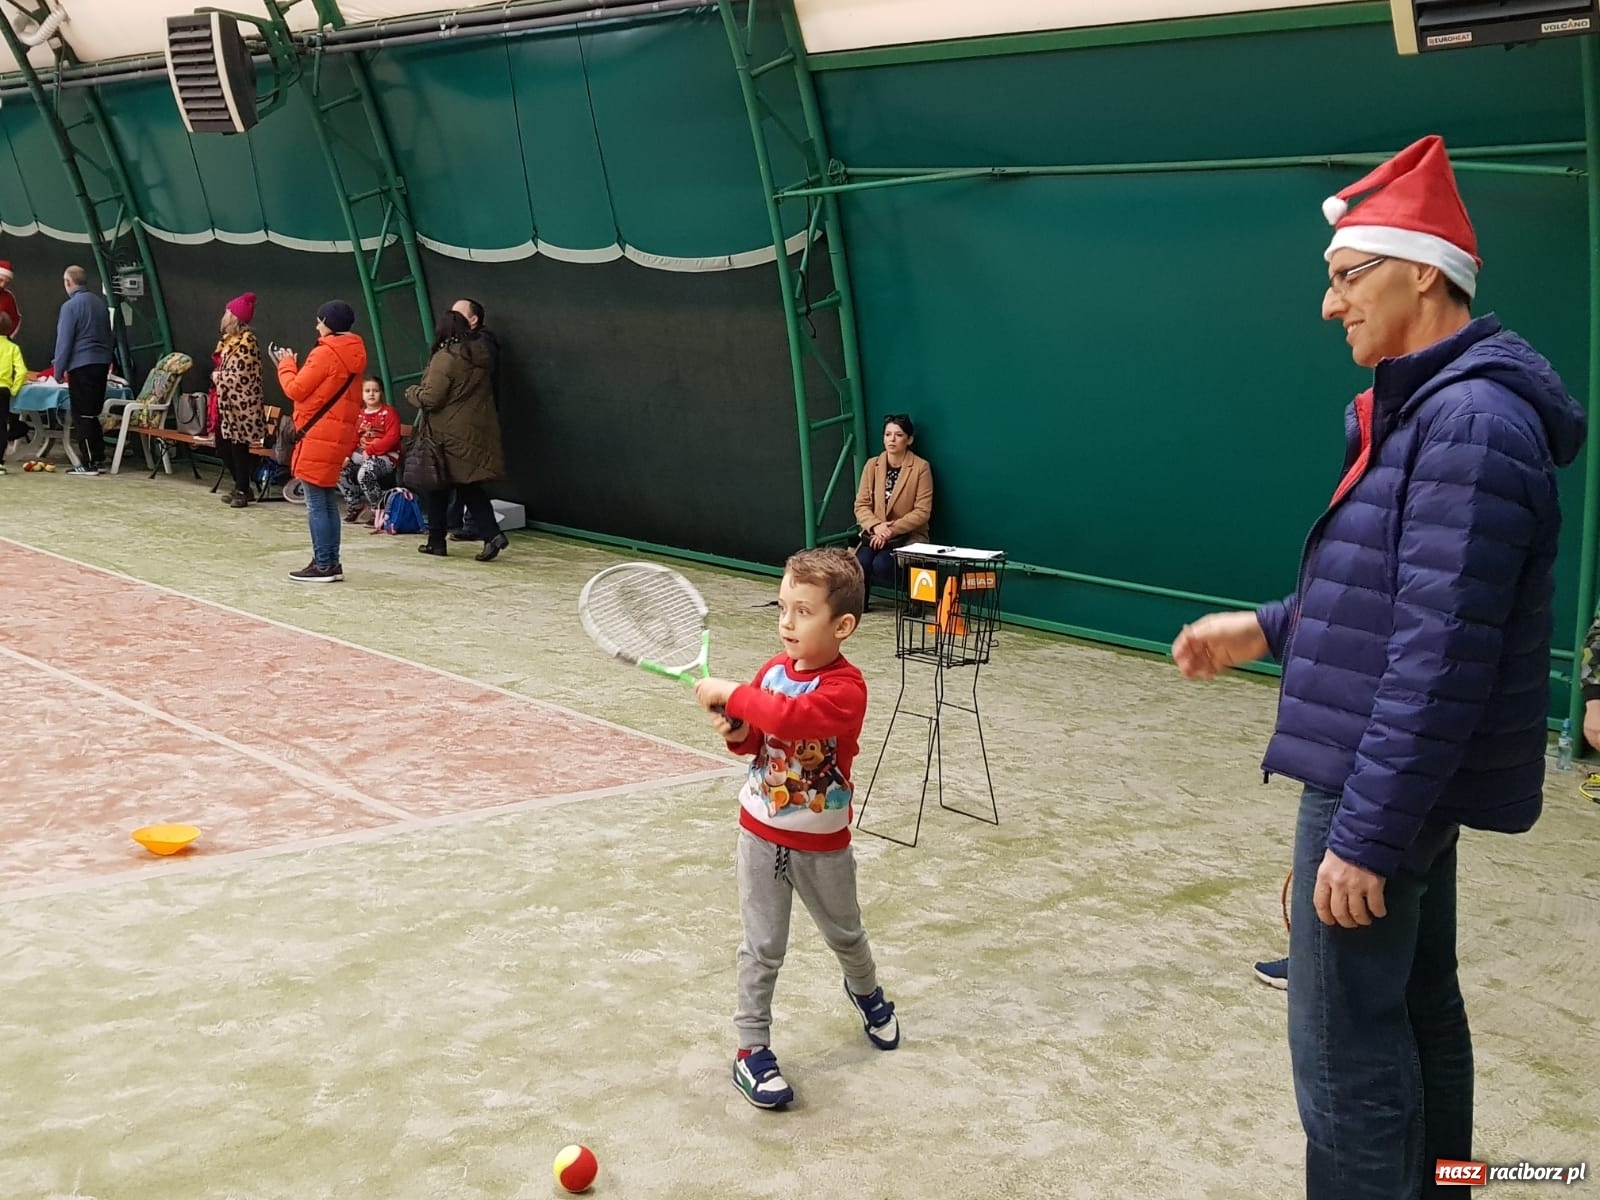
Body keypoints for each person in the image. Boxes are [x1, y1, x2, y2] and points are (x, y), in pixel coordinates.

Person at [1172, 135, 1584, 1199]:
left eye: (1344, 277)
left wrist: (1361, 836)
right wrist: (1266, 626)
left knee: (1344, 1053)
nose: (1327, 305)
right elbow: (1393, 594)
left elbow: (1436, 651)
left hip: (1374, 779)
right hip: (1396, 778)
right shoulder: (1436, 414)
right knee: (1411, 1009)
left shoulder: (1465, 424)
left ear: (1421, 274)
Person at [692, 548, 900, 1110]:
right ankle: (751, 1051)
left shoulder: (846, 689)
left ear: (843, 626)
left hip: (823, 846)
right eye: (782, 607)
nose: (786, 622)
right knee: (762, 949)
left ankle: (869, 996)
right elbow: (756, 743)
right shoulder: (769, 673)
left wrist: (736, 695)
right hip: (759, 833)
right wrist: (735, 727)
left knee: (847, 936)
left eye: (803, 612)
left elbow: (790, 719)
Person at [272, 300, 367, 582]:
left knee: (317, 502)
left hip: (318, 435)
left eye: (319, 320)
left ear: (328, 322)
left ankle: (324, 563)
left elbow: (296, 389)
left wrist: (286, 364)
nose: (317, 325)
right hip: (336, 435)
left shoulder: (325, 353)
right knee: (325, 500)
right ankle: (329, 561)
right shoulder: (354, 353)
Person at [408, 309, 507, 561]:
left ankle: (439, 541)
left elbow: (432, 398)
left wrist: (412, 393)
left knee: (437, 486)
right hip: (474, 431)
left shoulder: (445, 358)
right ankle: (488, 535)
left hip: (446, 434)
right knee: (468, 487)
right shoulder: (480, 355)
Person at [852, 413, 933, 590]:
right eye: (888, 434)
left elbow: (922, 511)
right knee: (860, 563)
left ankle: (915, 596)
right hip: (875, 534)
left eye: (899, 435)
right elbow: (861, 504)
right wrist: (876, 526)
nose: (892, 440)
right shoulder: (872, 465)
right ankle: (860, 606)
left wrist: (890, 530)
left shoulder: (920, 468)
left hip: (907, 535)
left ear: (909, 439)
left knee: (883, 565)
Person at [445, 297, 501, 541]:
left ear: (473, 319)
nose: (452, 319)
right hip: (464, 421)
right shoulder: (459, 347)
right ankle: (460, 524)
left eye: (458, 314)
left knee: (468, 477)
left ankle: (482, 529)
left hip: (473, 422)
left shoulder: (479, 346)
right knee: (462, 477)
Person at [53, 265, 115, 476]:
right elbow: (109, 336)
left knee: (82, 414)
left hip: (81, 365)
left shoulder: (70, 307)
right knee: (93, 413)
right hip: (101, 364)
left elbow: (64, 341)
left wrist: (58, 370)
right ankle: (98, 457)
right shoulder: (100, 304)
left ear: (68, 282)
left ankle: (89, 463)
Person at [211, 293, 268, 508]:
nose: (224, 315)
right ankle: (242, 484)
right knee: (223, 445)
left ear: (235, 317)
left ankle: (243, 488)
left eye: (228, 312)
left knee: (238, 447)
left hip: (242, 406)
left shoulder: (247, 342)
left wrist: (219, 377)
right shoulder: (228, 341)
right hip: (227, 405)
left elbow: (241, 374)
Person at [339, 378, 401, 524]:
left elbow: (392, 437)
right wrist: (347, 456)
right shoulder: (359, 415)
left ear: (381, 393)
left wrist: (372, 450)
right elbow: (353, 439)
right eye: (367, 391)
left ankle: (378, 508)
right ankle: (355, 506)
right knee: (338, 469)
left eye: (376, 391)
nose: (371, 394)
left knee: (364, 473)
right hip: (362, 454)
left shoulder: (389, 412)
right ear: (362, 394)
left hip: (386, 456)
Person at [0, 311, 26, 474]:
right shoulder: (13, 348)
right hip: (3, 390)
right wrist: (14, 389)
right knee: (1, 427)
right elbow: (22, 371)